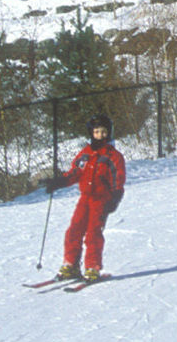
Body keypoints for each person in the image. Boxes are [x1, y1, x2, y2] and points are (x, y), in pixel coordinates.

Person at [47, 112, 126, 282]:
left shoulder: (113, 156)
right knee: (74, 230)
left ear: (109, 133)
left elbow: (118, 179)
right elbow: (75, 172)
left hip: (101, 199)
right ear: (91, 133)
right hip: (85, 198)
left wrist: (115, 198)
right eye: (97, 132)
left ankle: (92, 267)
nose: (100, 135)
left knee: (93, 234)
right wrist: (58, 182)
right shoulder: (85, 153)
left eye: (104, 132)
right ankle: (71, 265)